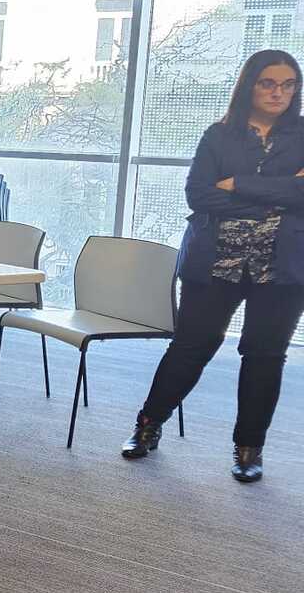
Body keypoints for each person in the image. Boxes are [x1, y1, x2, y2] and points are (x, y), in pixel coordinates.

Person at [124, 49, 304, 482]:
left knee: (264, 355)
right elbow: (198, 195)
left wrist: (238, 184)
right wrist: (278, 195)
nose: (278, 92)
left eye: (288, 84)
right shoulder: (219, 135)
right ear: (249, 86)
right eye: (268, 83)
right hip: (215, 260)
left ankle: (249, 449)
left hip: (282, 266)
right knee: (192, 346)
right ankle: (148, 425)